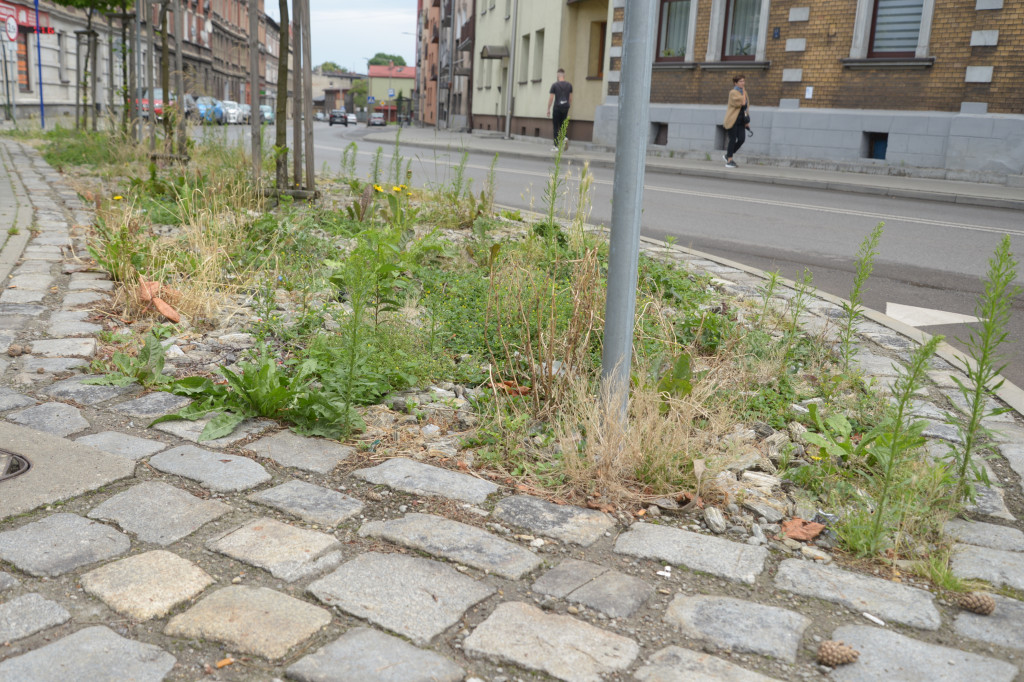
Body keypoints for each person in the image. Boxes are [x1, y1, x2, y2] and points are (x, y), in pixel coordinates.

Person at [723, 75, 750, 169]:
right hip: (732, 120)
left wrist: (747, 121)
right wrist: (743, 92)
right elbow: (742, 103)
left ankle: (728, 155)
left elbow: (746, 107)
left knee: (742, 139)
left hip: (741, 121)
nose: (743, 83)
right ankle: (729, 160)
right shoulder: (733, 92)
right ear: (735, 83)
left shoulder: (744, 92)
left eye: (743, 81)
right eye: (740, 81)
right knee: (733, 139)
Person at [547, 69, 573, 152]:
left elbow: (551, 98)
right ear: (564, 76)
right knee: (563, 125)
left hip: (557, 108)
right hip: (565, 107)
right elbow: (570, 98)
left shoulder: (554, 85)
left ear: (558, 76)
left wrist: (548, 109)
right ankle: (565, 137)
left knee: (555, 127)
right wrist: (568, 106)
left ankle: (556, 146)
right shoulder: (569, 85)